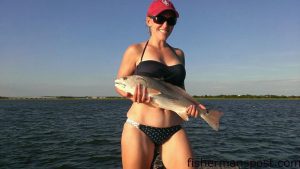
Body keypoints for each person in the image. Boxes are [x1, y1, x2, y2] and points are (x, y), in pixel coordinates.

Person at [115, 0, 206, 168]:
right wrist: (131, 95)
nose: (165, 24)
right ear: (148, 21)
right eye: (160, 19)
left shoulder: (179, 54)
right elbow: (119, 83)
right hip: (139, 127)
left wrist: (192, 105)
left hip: (173, 128)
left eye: (171, 21)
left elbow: (180, 90)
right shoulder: (135, 50)